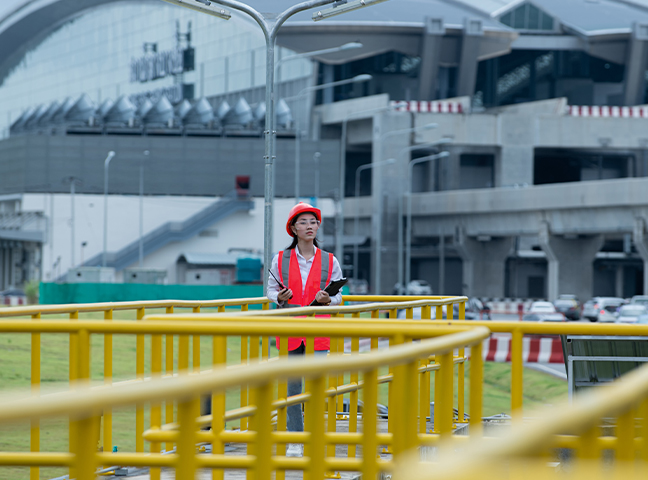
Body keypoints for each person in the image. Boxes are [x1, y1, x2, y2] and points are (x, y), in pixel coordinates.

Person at [267, 202, 343, 457]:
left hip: (318, 328)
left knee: (316, 386)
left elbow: (339, 296)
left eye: (313, 221)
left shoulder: (330, 260)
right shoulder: (280, 259)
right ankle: (295, 441)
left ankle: (314, 436)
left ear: (318, 226)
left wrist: (328, 300)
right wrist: (280, 297)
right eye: (303, 222)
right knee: (292, 388)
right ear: (293, 228)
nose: (309, 226)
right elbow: (269, 291)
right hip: (290, 328)